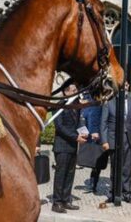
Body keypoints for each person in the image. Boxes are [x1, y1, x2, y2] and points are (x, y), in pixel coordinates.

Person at [101, 82, 131, 203]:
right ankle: (113, 193)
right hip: (114, 140)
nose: (126, 87)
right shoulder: (110, 103)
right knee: (115, 168)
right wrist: (104, 140)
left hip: (129, 139)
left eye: (127, 85)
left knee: (127, 168)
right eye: (123, 85)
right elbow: (103, 123)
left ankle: (126, 193)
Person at [51, 85, 86, 213]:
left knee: (70, 174)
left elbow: (79, 122)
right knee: (61, 175)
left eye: (76, 90)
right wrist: (76, 137)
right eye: (73, 90)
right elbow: (59, 127)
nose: (76, 92)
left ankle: (66, 200)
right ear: (66, 92)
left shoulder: (75, 104)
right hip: (62, 146)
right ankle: (57, 202)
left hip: (72, 146)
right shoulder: (60, 105)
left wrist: (83, 132)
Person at [80, 92, 106, 194]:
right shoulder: (89, 103)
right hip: (90, 135)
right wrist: (83, 133)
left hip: (99, 136)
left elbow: (103, 120)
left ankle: (93, 182)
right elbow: (82, 118)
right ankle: (92, 182)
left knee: (98, 162)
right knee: (92, 160)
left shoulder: (101, 103)